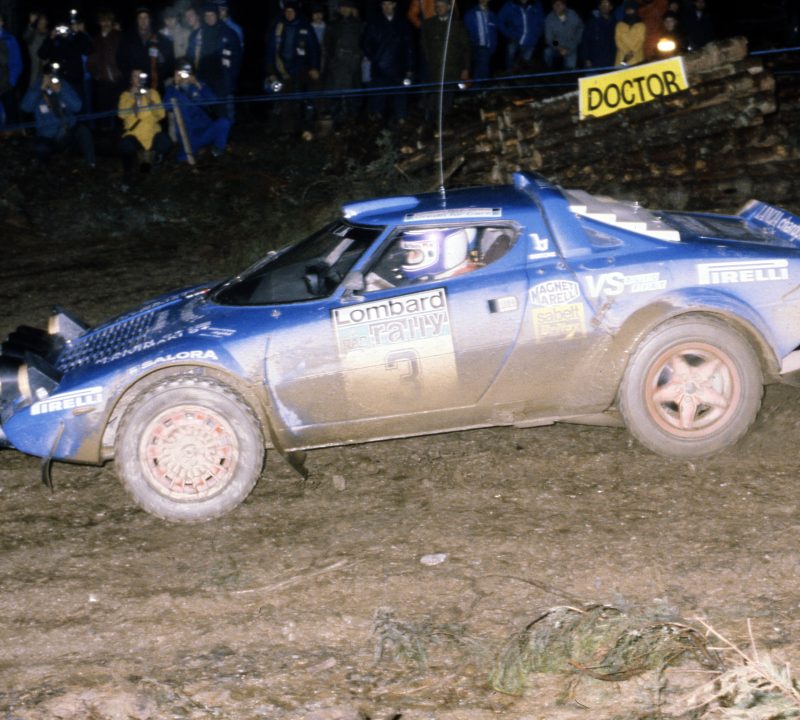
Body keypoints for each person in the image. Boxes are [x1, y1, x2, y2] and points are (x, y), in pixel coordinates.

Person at [20, 62, 95, 167]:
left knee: (84, 132)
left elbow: (77, 106)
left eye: (53, 74)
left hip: (67, 130)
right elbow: (25, 107)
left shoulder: (63, 84)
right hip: (47, 135)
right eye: (48, 75)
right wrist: (41, 88)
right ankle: (44, 170)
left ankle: (91, 164)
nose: (51, 77)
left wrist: (60, 90)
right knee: (40, 149)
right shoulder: (37, 87)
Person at [265, 2, 321, 135]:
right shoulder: (278, 27)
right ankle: (286, 131)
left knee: (301, 101)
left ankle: (303, 130)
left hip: (301, 70)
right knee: (281, 100)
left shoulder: (305, 26)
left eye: (291, 12)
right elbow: (270, 50)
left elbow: (314, 49)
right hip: (281, 71)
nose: (289, 14)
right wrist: (270, 71)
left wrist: (314, 67)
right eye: (287, 12)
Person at [117, 68, 172, 190]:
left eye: (140, 76)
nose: (138, 79)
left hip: (152, 132)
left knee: (165, 142)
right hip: (134, 133)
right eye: (135, 76)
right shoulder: (125, 95)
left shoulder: (153, 93)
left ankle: (156, 165)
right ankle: (128, 176)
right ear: (131, 80)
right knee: (125, 146)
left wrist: (149, 99)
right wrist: (135, 99)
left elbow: (161, 114)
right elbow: (121, 114)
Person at [361, 0, 414, 124]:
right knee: (378, 99)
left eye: (389, 4)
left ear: (394, 5)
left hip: (399, 68)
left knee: (400, 98)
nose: (386, 7)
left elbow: (409, 47)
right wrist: (375, 57)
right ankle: (377, 122)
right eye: (384, 4)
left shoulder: (403, 23)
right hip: (379, 69)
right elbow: (364, 43)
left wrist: (410, 67)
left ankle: (401, 121)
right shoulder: (374, 23)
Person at [165, 62, 231, 161]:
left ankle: (217, 151)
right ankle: (197, 151)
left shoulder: (198, 85)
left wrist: (198, 85)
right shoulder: (171, 89)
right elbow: (167, 107)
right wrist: (176, 85)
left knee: (224, 123)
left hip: (205, 130)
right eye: (181, 73)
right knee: (182, 160)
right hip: (188, 136)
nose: (185, 76)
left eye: (188, 73)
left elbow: (214, 101)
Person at [188, 3, 241, 121]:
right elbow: (190, 57)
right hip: (202, 82)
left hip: (222, 82)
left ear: (217, 15)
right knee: (205, 114)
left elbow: (236, 59)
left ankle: (226, 132)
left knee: (224, 114)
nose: (209, 18)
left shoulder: (229, 33)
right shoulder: (197, 34)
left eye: (212, 15)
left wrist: (230, 80)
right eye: (206, 15)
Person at [420, 0, 470, 119]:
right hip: (435, 69)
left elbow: (466, 48)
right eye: (437, 6)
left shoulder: (457, 25)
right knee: (433, 96)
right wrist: (430, 59)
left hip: (452, 69)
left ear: (448, 7)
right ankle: (430, 120)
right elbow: (424, 45)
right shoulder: (429, 24)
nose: (439, 8)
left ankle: (444, 120)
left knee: (447, 97)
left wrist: (466, 68)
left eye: (442, 6)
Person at [37, 12, 92, 112]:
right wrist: (50, 37)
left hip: (75, 80)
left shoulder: (76, 38)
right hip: (59, 81)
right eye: (60, 28)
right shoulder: (53, 40)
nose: (62, 30)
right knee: (63, 108)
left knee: (79, 106)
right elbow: (42, 54)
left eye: (65, 28)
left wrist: (79, 33)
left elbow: (88, 50)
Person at [323, 0, 364, 123]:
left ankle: (354, 121)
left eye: (348, 7)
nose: (345, 10)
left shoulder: (359, 24)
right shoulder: (332, 24)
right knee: (336, 95)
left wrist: (358, 57)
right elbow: (327, 45)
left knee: (354, 95)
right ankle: (337, 122)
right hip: (337, 65)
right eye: (343, 7)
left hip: (354, 65)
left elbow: (364, 43)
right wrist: (331, 61)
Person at [117, 7, 174, 93]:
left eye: (145, 17)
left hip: (155, 86)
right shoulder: (127, 39)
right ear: (137, 20)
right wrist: (130, 75)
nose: (143, 20)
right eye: (140, 18)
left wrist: (160, 75)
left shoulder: (160, 39)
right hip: (134, 86)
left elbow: (169, 61)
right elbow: (120, 59)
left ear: (150, 20)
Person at [87, 10, 123, 130]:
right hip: (103, 81)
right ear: (99, 23)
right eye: (103, 21)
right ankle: (106, 135)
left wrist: (124, 73)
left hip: (119, 78)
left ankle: (121, 135)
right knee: (104, 111)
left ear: (112, 22)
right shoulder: (96, 40)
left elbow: (126, 55)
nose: (106, 23)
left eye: (108, 20)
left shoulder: (119, 36)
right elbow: (90, 61)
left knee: (120, 110)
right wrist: (96, 75)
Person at [497, 0, 544, 71]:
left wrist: (536, 35)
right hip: (514, 41)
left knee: (526, 67)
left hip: (531, 42)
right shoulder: (510, 5)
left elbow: (542, 22)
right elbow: (499, 21)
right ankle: (509, 73)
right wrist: (508, 34)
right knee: (510, 64)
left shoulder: (536, 4)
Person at [543, 0, 583, 71]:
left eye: (560, 4)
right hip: (556, 47)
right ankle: (549, 69)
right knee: (547, 53)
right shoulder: (549, 19)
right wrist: (559, 48)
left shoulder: (573, 14)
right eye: (555, 4)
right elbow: (549, 39)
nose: (557, 6)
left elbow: (580, 29)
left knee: (571, 67)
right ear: (552, 6)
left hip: (571, 46)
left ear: (564, 5)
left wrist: (573, 45)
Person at [464, 0, 498, 82]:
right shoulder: (471, 13)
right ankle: (480, 87)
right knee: (481, 71)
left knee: (482, 71)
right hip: (476, 47)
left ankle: (481, 87)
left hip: (489, 49)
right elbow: (465, 31)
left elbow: (494, 32)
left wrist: (494, 45)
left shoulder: (492, 15)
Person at [0, 12, 22, 125]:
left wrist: (11, 82)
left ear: (2, 22)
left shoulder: (9, 39)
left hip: (5, 85)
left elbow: (16, 62)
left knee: (9, 117)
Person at [581, 0, 616, 69]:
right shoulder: (592, 23)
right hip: (594, 61)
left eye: (607, 5)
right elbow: (585, 41)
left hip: (611, 61)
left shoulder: (615, 23)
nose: (604, 7)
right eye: (602, 5)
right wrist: (586, 58)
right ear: (599, 7)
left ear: (611, 7)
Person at [24, 12, 49, 92]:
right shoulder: (32, 33)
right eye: (41, 22)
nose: (42, 24)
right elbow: (26, 37)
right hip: (35, 69)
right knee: (33, 91)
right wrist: (31, 24)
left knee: (48, 92)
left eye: (44, 22)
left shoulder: (50, 34)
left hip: (47, 70)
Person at [615, 0, 646, 64]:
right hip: (622, 57)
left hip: (637, 57)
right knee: (621, 70)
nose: (629, 11)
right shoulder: (619, 25)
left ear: (635, 10)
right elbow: (618, 40)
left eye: (631, 9)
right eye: (627, 10)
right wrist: (627, 51)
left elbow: (641, 40)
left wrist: (632, 52)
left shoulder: (641, 25)